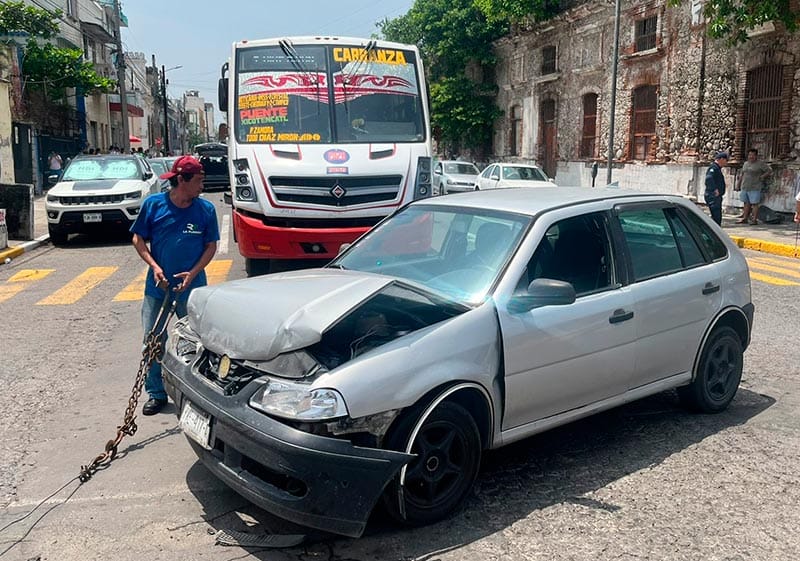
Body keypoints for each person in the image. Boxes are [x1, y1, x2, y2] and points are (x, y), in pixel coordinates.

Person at [130, 155, 220, 415]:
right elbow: (138, 239)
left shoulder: (205, 210)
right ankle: (156, 393)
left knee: (199, 342)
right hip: (158, 288)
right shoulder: (154, 206)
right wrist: (155, 268)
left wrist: (192, 274)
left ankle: (200, 393)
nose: (203, 185)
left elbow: (210, 246)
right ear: (182, 180)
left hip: (193, 289)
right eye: (199, 181)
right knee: (153, 339)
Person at [737, 148, 771, 225]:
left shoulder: (760, 164)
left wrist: (762, 176)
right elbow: (742, 174)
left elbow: (769, 171)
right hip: (745, 186)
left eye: (753, 155)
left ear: (756, 156)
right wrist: (739, 184)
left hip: (755, 186)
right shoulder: (745, 164)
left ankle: (754, 219)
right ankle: (745, 218)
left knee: (755, 204)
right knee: (746, 203)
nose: (751, 156)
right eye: (749, 155)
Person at [704, 151, 728, 226]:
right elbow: (709, 178)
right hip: (713, 196)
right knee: (716, 217)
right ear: (721, 159)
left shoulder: (717, 168)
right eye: (726, 160)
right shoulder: (714, 168)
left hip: (715, 196)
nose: (726, 162)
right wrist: (714, 189)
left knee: (716, 217)